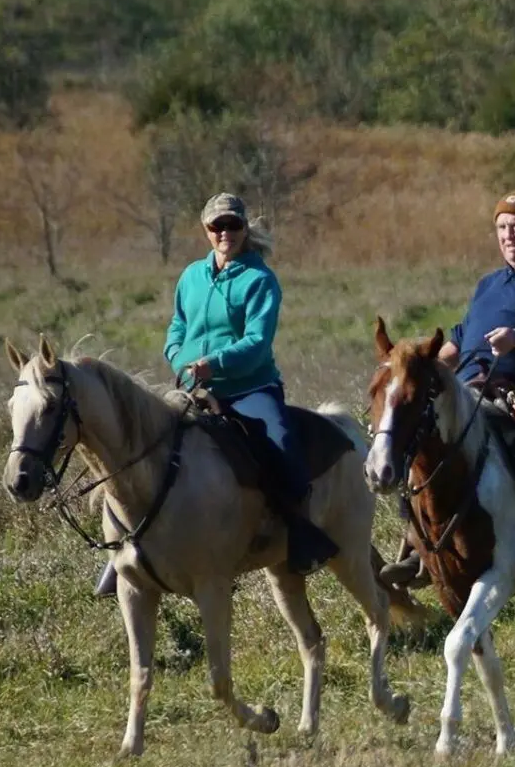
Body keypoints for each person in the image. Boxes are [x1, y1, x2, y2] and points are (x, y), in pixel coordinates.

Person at [94, 192, 337, 596]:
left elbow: (257, 343)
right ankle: (122, 551)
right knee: (139, 450)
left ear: (244, 228)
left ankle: (299, 535)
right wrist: (179, 360)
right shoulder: (191, 277)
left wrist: (214, 364)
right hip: (191, 387)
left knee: (281, 450)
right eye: (216, 226)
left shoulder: (259, 280)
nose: (225, 233)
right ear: (205, 230)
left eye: (232, 225)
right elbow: (177, 327)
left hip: (250, 388)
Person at [381, 187, 515, 589]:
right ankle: (416, 548)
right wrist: (422, 369)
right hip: (473, 389)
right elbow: (459, 340)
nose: (509, 235)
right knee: (421, 443)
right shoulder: (486, 285)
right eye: (502, 228)